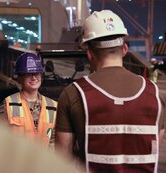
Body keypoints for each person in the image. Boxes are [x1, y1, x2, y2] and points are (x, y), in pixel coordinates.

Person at [55, 10, 165, 173]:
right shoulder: (155, 95)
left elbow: (61, 161)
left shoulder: (73, 94)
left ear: (90, 54)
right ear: (125, 49)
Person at [0, 52, 57, 148]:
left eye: (37, 74)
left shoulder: (53, 106)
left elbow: (54, 141)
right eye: (28, 74)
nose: (34, 78)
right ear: (20, 78)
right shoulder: (9, 104)